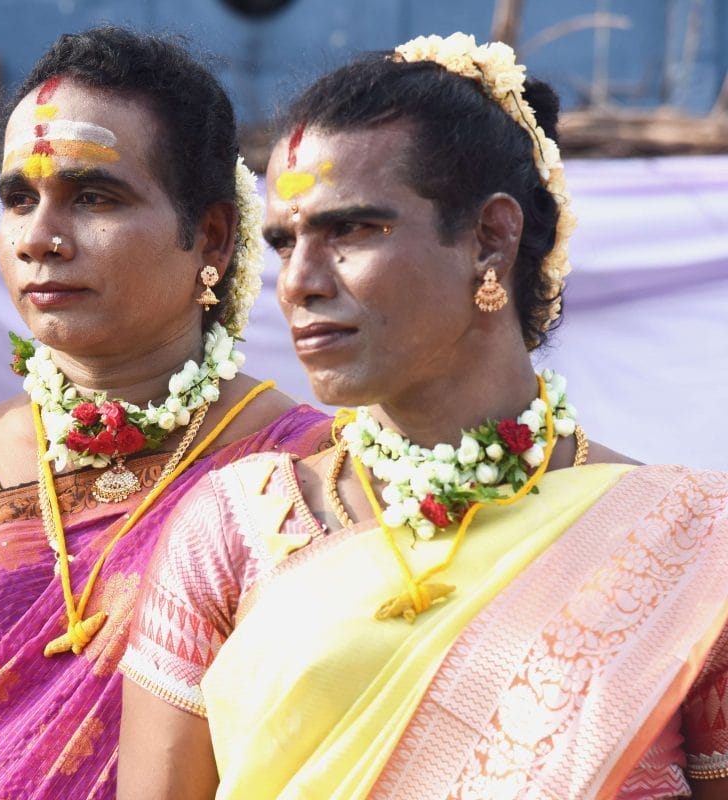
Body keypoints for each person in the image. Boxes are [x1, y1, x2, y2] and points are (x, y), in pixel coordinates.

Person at [117, 33, 728, 800]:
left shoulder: (687, 541)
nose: (299, 282)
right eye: (283, 241)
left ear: (491, 238)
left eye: (351, 230)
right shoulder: (233, 532)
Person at [0, 26, 332, 800]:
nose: (41, 238)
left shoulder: (308, 471)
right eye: (20, 198)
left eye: (93, 196)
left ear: (210, 237)